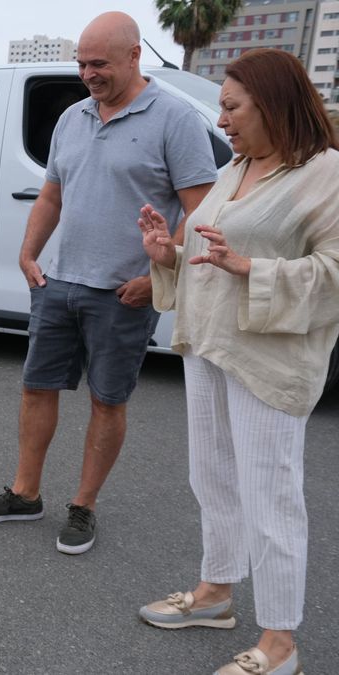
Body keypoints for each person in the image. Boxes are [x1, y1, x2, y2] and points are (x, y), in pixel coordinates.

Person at [0, 11, 218, 555]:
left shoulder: (174, 119)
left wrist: (157, 276)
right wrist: (29, 253)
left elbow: (199, 213)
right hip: (59, 282)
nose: (87, 73)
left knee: (107, 400)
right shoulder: (73, 117)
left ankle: (84, 505)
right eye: (81, 63)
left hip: (124, 292)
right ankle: (26, 493)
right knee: (37, 388)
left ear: (133, 56)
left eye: (98, 63)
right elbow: (52, 194)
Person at [135, 48, 338, 675]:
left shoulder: (327, 173)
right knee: (214, 477)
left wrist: (252, 267)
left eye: (231, 107)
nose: (221, 122)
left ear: (274, 104)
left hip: (269, 362)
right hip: (210, 343)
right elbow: (209, 249)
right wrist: (167, 252)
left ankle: (282, 643)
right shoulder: (237, 168)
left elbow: (334, 273)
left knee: (270, 496)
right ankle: (216, 594)